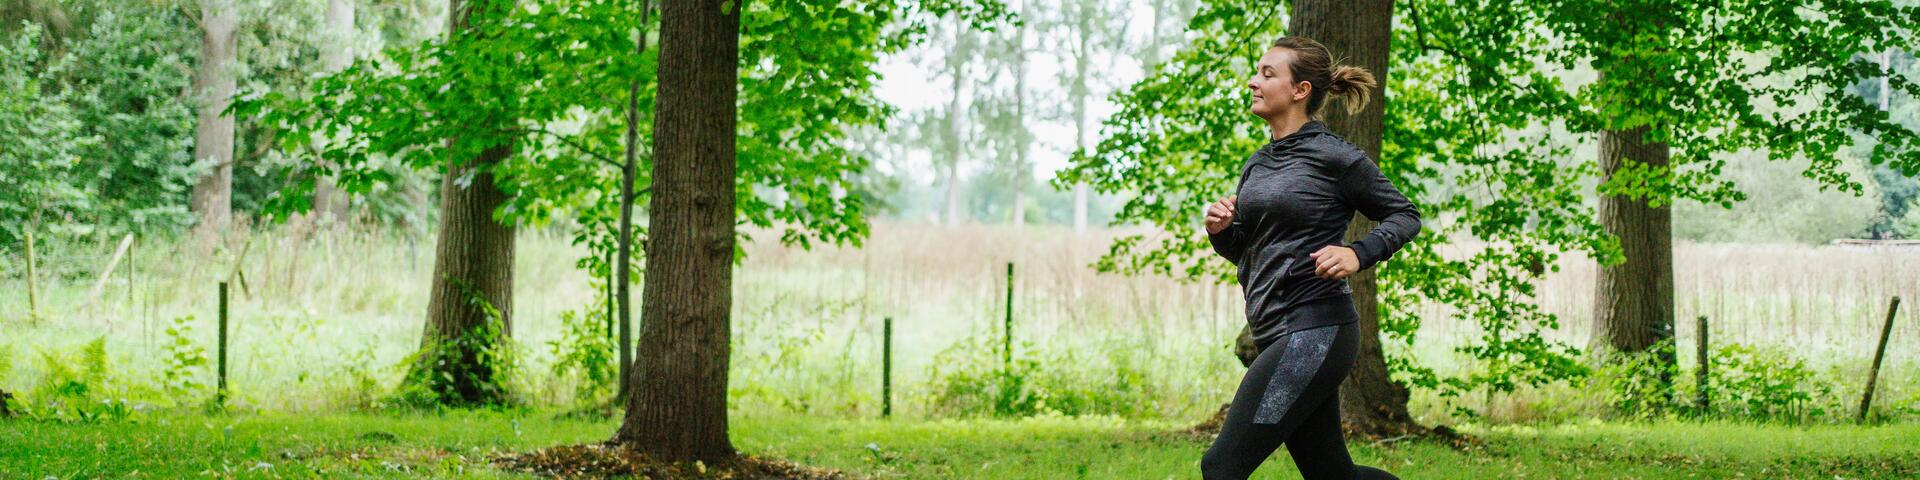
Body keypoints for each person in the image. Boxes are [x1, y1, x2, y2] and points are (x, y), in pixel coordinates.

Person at [1198, 36, 1420, 480]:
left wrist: (1358, 253)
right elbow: (1251, 252)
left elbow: (1404, 214)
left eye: (1267, 74)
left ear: (1300, 90)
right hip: (1274, 329)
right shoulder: (1258, 164)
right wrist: (1221, 232)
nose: (1252, 82)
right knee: (1333, 475)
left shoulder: (1335, 156)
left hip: (1314, 330)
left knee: (1220, 468)